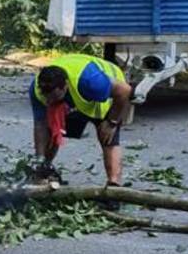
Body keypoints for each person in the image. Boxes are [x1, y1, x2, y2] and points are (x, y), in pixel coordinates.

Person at [29, 53, 132, 188]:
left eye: (53, 97)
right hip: (75, 99)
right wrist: (39, 159)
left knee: (107, 137)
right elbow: (40, 124)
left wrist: (112, 122)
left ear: (64, 86)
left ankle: (114, 186)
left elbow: (125, 91)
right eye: (47, 97)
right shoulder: (37, 91)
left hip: (104, 96)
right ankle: (45, 170)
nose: (49, 101)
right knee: (52, 128)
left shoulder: (92, 82)